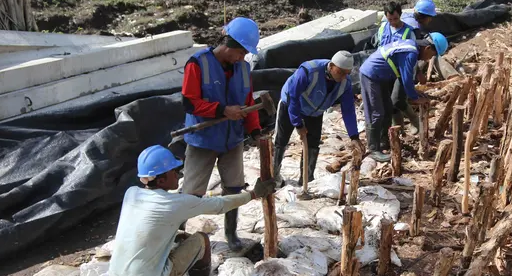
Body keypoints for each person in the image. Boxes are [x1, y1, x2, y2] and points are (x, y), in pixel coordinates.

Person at [108, 145, 275, 276]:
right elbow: (220, 205)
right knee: (201, 240)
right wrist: (254, 194)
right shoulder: (175, 203)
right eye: (173, 171)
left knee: (181, 237)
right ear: (161, 180)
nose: (178, 174)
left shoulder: (131, 193)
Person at [180, 17, 262, 252]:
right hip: (203, 140)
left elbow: (247, 102)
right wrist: (221, 110)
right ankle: (178, 233)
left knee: (234, 188)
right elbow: (189, 102)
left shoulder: (244, 69)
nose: (242, 58)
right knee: (192, 192)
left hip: (233, 139)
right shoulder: (198, 64)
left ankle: (231, 233)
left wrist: (254, 130)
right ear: (228, 45)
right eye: (240, 52)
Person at [273, 51, 365, 186]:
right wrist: (298, 124)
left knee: (312, 145)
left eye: (347, 73)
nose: (343, 77)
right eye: (340, 72)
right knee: (281, 141)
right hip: (291, 105)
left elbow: (348, 110)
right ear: (331, 66)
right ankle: (273, 177)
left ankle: (306, 180)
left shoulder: (345, 83)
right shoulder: (309, 71)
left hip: (315, 112)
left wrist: (354, 136)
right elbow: (293, 96)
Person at [358, 33, 448, 162]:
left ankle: (384, 143)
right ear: (428, 48)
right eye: (432, 55)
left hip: (381, 76)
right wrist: (415, 98)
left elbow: (405, 78)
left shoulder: (411, 47)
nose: (429, 59)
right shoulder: (411, 52)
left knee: (387, 108)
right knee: (376, 112)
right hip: (371, 75)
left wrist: (415, 93)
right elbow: (406, 79)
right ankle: (373, 149)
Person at [389, 0, 438, 136]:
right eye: (430, 18)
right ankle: (413, 123)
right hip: (397, 65)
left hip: (393, 62)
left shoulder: (406, 19)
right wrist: (417, 73)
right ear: (424, 16)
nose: (430, 21)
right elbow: (409, 54)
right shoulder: (413, 28)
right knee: (398, 99)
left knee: (395, 99)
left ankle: (399, 129)